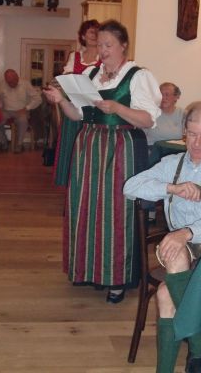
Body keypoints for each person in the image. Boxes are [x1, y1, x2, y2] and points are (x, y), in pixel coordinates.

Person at [43, 19, 161, 303]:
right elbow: (79, 115)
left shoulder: (138, 75)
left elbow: (149, 120)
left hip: (121, 148)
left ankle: (117, 279)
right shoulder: (93, 75)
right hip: (89, 146)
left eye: (108, 45)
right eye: (100, 45)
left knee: (115, 212)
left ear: (123, 46)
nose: (103, 51)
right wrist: (60, 99)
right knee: (86, 208)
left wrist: (118, 107)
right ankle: (88, 269)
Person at [123, 102, 201, 373]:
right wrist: (171, 187)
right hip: (183, 251)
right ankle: (198, 350)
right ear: (184, 131)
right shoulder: (172, 164)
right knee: (172, 263)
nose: (197, 143)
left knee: (166, 294)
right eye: (192, 134)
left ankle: (194, 353)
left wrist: (184, 233)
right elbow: (130, 187)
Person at [54, 19, 100, 186]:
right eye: (90, 32)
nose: (94, 35)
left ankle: (88, 179)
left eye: (97, 32)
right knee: (73, 143)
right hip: (74, 106)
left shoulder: (104, 57)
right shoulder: (75, 56)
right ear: (83, 36)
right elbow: (65, 80)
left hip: (95, 108)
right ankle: (70, 179)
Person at [0, 69, 42, 153]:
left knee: (23, 120)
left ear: (17, 77)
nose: (10, 84)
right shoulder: (3, 84)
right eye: (8, 82)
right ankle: (4, 142)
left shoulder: (25, 84)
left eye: (12, 81)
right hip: (6, 110)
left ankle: (19, 144)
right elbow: (0, 99)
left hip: (21, 110)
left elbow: (38, 99)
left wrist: (27, 108)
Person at [145, 82, 184, 148]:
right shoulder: (149, 113)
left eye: (167, 95)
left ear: (176, 97)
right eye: (161, 95)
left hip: (176, 151)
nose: (163, 98)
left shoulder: (183, 114)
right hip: (153, 151)